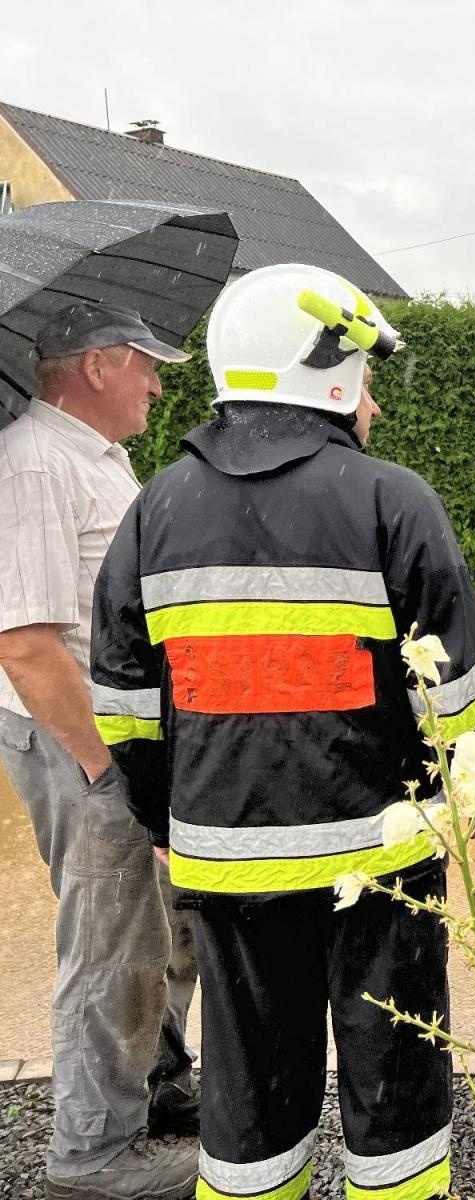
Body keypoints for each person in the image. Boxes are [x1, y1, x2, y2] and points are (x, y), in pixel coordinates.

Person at [91, 264, 475, 1200]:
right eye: (364, 379)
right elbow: (462, 686)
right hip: (380, 863)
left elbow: (123, 700)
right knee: (393, 1095)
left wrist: (167, 820)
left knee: (246, 1102)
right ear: (322, 369)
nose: (372, 405)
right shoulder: (391, 501)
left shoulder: (153, 510)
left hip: (227, 867)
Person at [0, 301, 200, 1200]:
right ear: (95, 367)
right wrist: (103, 767)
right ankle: (92, 1156)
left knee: (165, 929)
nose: (160, 381)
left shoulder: (96, 460)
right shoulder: (33, 464)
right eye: (146, 363)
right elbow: (24, 644)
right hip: (79, 744)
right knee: (112, 942)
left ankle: (156, 1093)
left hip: (123, 741)